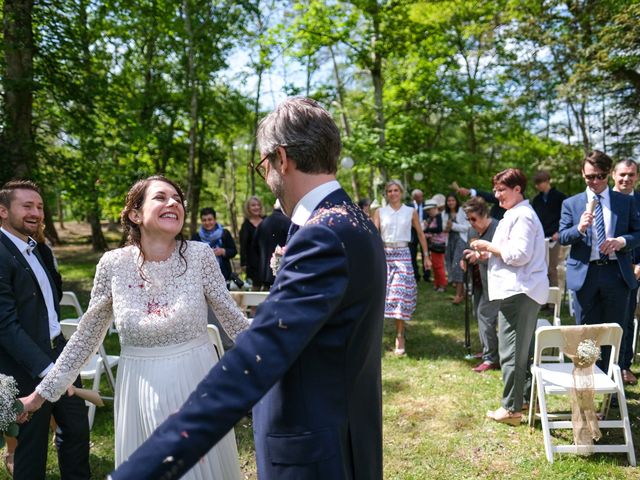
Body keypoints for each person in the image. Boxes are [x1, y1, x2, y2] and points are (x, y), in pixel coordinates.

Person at [109, 97, 387, 480]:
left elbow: (255, 359)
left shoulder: (322, 234)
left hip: (314, 451)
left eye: (263, 166)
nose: (267, 177)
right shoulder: (355, 220)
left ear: (281, 158)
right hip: (346, 434)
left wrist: (139, 471)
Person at [21, 175, 249, 479]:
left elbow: (232, 319)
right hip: (139, 388)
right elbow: (86, 335)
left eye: (178, 199)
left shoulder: (200, 256)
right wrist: (41, 394)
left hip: (197, 383)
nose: (173, 203)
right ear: (135, 214)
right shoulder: (113, 264)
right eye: (161, 197)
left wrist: (285, 353)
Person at [0, 180, 91, 480]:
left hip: (59, 352)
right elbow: (5, 326)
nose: (37, 213)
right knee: (31, 447)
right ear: (2, 211)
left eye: (39, 207)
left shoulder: (35, 247)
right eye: (27, 206)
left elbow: (52, 293)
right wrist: (48, 372)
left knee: (76, 431)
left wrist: (42, 246)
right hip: (25, 365)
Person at [470, 168, 548, 425]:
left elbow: (519, 255)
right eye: (495, 189)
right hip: (520, 289)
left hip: (520, 290)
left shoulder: (523, 215)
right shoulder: (514, 214)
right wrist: (489, 255)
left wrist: (487, 246)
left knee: (511, 351)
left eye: (501, 189)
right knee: (520, 350)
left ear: (518, 189)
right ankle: (523, 400)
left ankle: (511, 409)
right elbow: (511, 253)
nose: (496, 194)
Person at [560, 151, 640, 370]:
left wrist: (622, 241)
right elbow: (563, 236)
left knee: (614, 332)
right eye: (589, 177)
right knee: (586, 334)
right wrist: (579, 228)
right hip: (585, 275)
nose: (594, 181)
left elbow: (638, 232)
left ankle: (612, 388)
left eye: (600, 176)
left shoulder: (624, 202)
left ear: (608, 174)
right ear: (582, 174)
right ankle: (588, 384)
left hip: (616, 273)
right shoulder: (572, 203)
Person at [373, 180, 430, 356]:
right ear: (386, 194)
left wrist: (426, 255)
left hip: (403, 254)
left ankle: (400, 335)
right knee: (382, 295)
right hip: (385, 254)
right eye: (389, 191)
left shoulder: (410, 212)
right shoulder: (379, 212)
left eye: (396, 190)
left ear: (401, 192)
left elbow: (420, 234)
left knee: (399, 295)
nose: (393, 193)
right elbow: (374, 236)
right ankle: (375, 336)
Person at [460, 197, 500, 372]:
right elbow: (470, 249)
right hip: (477, 281)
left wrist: (481, 257)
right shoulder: (471, 231)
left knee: (485, 314)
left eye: (474, 219)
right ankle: (488, 351)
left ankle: (492, 358)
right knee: (480, 315)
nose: (471, 223)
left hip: (496, 282)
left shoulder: (498, 228)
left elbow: (502, 257)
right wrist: (465, 259)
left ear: (484, 214)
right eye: (468, 219)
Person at [612, 159, 640, 385]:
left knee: (626, 319)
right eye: (622, 174)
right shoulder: (604, 200)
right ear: (613, 175)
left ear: (637, 177)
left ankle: (623, 366)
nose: (626, 179)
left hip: (634, 270)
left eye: (631, 175)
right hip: (605, 269)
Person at [531, 170, 567, 289]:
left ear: (547, 181)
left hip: (555, 238)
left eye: (539, 182)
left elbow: (566, 217)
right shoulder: (536, 200)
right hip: (540, 238)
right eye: (536, 183)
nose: (537, 186)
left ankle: (553, 303)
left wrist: (560, 231)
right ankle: (543, 299)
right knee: (541, 268)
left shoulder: (560, 197)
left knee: (552, 268)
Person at [251, 199, 291, 290]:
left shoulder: (263, 223)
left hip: (264, 273)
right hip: (283, 275)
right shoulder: (289, 223)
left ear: (274, 207)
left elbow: (254, 249)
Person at [191, 207, 237, 283]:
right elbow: (192, 256)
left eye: (210, 219)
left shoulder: (225, 233)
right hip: (202, 277)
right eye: (204, 220)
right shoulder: (196, 236)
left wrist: (223, 251)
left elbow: (234, 251)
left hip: (223, 275)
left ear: (215, 220)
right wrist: (205, 254)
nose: (207, 222)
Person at [443, 193, 469, 304]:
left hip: (460, 241)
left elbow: (468, 227)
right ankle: (461, 292)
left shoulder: (462, 212)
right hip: (450, 241)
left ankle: (458, 295)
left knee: (457, 265)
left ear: (456, 201)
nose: (450, 203)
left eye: (452, 200)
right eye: (448, 201)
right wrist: (447, 228)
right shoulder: (445, 214)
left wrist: (453, 226)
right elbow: (444, 229)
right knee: (451, 265)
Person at [239, 196, 264, 288]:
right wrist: (243, 263)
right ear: (248, 208)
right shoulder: (245, 225)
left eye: (258, 205)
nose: (256, 207)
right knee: (254, 289)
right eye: (253, 205)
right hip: (252, 263)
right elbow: (243, 246)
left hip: (266, 261)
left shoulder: (267, 221)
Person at [424, 198, 447, 292]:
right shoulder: (433, 218)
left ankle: (442, 284)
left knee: (439, 266)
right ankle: (437, 283)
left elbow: (439, 229)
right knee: (435, 265)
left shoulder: (438, 217)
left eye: (429, 210)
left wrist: (426, 231)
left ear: (434, 208)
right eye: (427, 210)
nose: (428, 212)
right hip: (434, 244)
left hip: (439, 245)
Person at [408, 189, 428, 282]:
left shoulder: (426, 206)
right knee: (413, 254)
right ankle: (416, 275)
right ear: (414, 197)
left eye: (422, 196)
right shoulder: (408, 206)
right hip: (412, 233)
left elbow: (430, 217)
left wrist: (427, 223)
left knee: (425, 254)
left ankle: (427, 275)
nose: (421, 198)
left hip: (424, 232)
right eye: (419, 196)